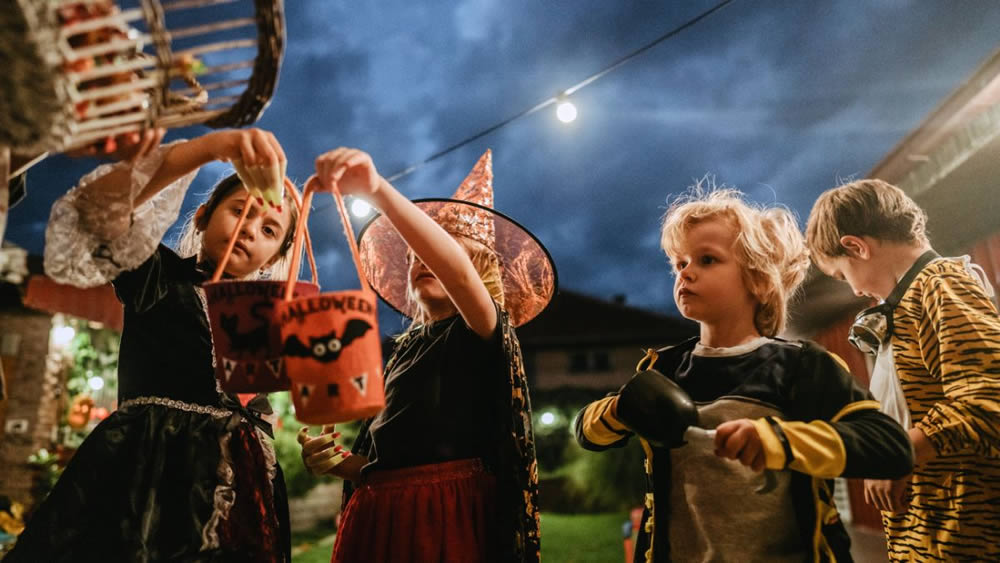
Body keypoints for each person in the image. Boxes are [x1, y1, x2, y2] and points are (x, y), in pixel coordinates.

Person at [5, 128, 298, 562]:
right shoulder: (157, 276)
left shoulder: (265, 323)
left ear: (274, 258)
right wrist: (211, 147)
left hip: (245, 489)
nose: (250, 229)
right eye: (239, 210)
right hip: (151, 475)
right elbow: (97, 210)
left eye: (269, 228)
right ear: (201, 217)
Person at [575, 187, 913, 562]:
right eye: (679, 263)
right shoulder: (663, 369)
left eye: (706, 259)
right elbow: (587, 434)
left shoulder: (802, 366)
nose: (685, 272)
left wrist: (781, 441)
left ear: (758, 279)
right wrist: (621, 409)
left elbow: (890, 447)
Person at [297, 148, 555, 563]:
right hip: (379, 513)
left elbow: (455, 270)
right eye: (414, 255)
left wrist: (377, 189)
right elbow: (387, 462)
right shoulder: (403, 350)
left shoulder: (481, 328)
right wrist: (337, 463)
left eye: (440, 250)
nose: (421, 258)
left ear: (481, 270)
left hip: (443, 514)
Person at [806, 178, 1000, 561]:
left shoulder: (940, 285)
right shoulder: (909, 300)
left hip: (963, 539)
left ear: (856, 247)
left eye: (842, 275)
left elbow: (988, 395)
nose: (854, 290)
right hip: (932, 533)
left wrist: (901, 453)